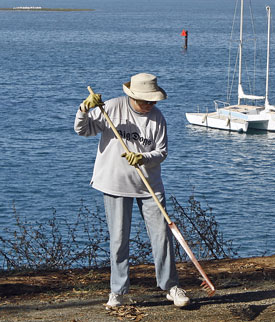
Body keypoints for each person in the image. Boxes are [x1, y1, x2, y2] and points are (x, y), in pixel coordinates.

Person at [74, 72, 190, 308]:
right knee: (118, 239)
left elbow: (161, 152)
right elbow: (83, 130)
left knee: (162, 236)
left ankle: (171, 286)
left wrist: (143, 157)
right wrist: (83, 109)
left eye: (153, 101)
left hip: (149, 186)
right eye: (146, 101)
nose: (150, 105)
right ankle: (117, 291)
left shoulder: (158, 119)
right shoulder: (111, 108)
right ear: (133, 96)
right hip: (115, 184)